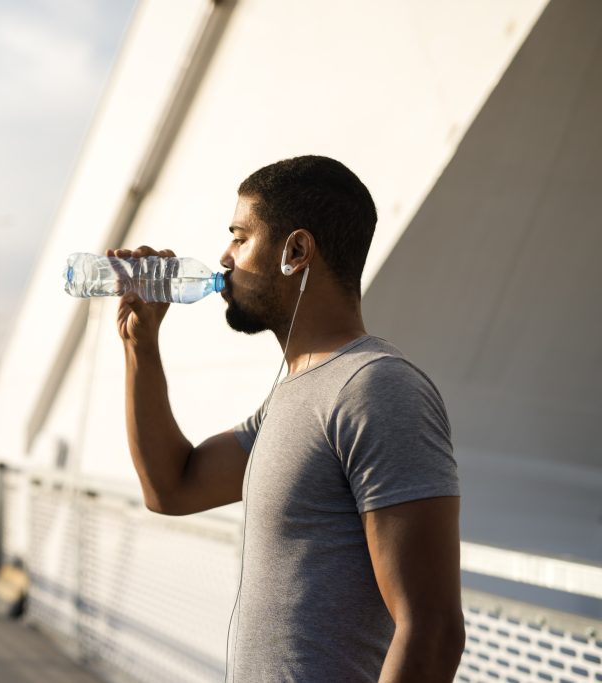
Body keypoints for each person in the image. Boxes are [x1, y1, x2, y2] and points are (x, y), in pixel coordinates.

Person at [107, 155, 465, 682]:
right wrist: (140, 345)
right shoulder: (291, 397)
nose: (223, 258)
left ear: (295, 251)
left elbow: (432, 629)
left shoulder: (377, 389)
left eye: (240, 236)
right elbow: (172, 488)